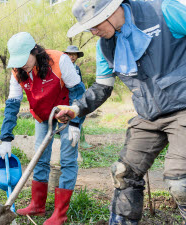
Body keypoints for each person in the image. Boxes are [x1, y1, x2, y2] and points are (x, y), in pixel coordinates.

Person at [57, 0, 186, 224]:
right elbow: (102, 87)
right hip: (148, 114)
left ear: (113, 10)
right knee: (123, 173)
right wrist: (76, 108)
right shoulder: (104, 46)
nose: (93, 31)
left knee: (180, 182)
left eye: (95, 24)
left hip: (183, 106)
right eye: (88, 27)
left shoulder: (164, 11)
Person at [0, 32, 86, 225]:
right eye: (18, 61)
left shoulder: (59, 60)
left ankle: (60, 214)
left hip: (65, 112)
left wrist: (74, 123)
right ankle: (38, 205)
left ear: (35, 51)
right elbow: (13, 104)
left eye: (25, 60)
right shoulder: (17, 71)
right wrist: (6, 138)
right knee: (39, 157)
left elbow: (78, 91)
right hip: (42, 116)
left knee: (68, 159)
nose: (22, 65)